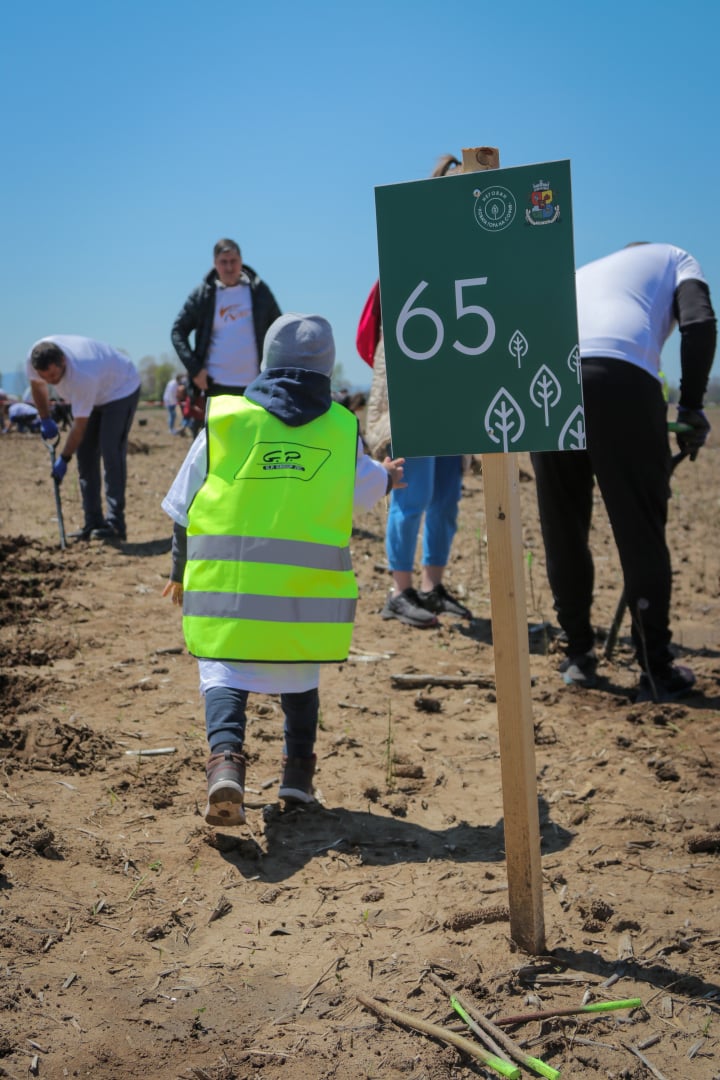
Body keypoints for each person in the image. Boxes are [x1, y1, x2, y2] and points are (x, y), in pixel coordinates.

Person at [161, 313, 405, 827]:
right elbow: (361, 492)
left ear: (267, 361)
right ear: (328, 367)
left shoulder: (226, 420)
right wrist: (385, 479)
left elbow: (183, 505)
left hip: (228, 598)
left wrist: (180, 569)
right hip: (301, 601)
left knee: (224, 674)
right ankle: (297, 777)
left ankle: (226, 764)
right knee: (299, 678)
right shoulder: (341, 430)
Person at [531, 243, 716, 703]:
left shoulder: (584, 272)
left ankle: (577, 655)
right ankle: (655, 666)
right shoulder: (676, 258)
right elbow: (699, 322)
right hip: (620, 380)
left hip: (546, 378)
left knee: (563, 527)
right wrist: (691, 406)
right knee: (640, 532)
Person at [363, 154, 473, 629]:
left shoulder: (474, 254)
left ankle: (432, 588)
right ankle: (399, 592)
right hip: (417, 388)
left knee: (447, 496)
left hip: (454, 392)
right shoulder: (407, 253)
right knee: (414, 493)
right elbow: (373, 333)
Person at [27, 336, 141, 542]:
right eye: (46, 377)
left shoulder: (82, 374)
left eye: (53, 375)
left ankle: (115, 524)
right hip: (94, 391)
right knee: (86, 457)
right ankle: (93, 521)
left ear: (62, 361)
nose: (51, 381)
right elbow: (37, 387)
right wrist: (45, 419)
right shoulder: (33, 362)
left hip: (120, 390)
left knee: (111, 453)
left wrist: (64, 458)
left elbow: (79, 426)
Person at [171, 238, 281, 409]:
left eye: (233, 261)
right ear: (215, 263)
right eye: (223, 262)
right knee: (217, 437)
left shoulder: (260, 291)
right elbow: (177, 331)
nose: (229, 267)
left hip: (255, 387)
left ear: (241, 261)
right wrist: (195, 370)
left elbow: (279, 331)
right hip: (214, 387)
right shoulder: (203, 295)